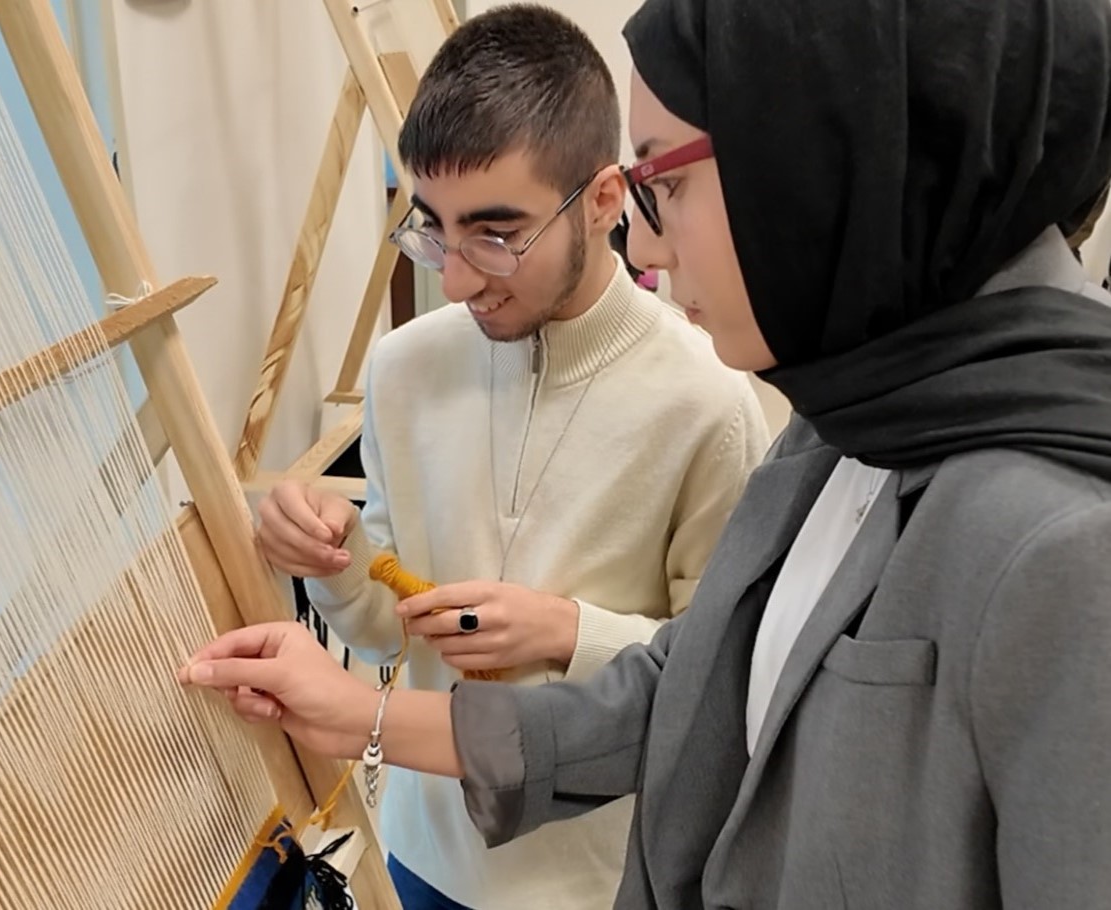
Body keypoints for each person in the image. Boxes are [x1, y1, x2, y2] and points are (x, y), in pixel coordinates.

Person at [184, 0, 1111, 905]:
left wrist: (557, 633)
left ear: (827, 166)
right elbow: (697, 682)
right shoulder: (838, 426)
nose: (651, 244)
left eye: (664, 183)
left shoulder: (1065, 542)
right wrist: (363, 688)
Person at [251, 6, 768, 909]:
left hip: (602, 881)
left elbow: (731, 684)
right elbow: (378, 626)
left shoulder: (707, 401)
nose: (453, 278)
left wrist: (568, 630)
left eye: (496, 232)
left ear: (605, 199)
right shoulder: (405, 366)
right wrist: (328, 558)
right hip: (423, 849)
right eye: (433, 227)